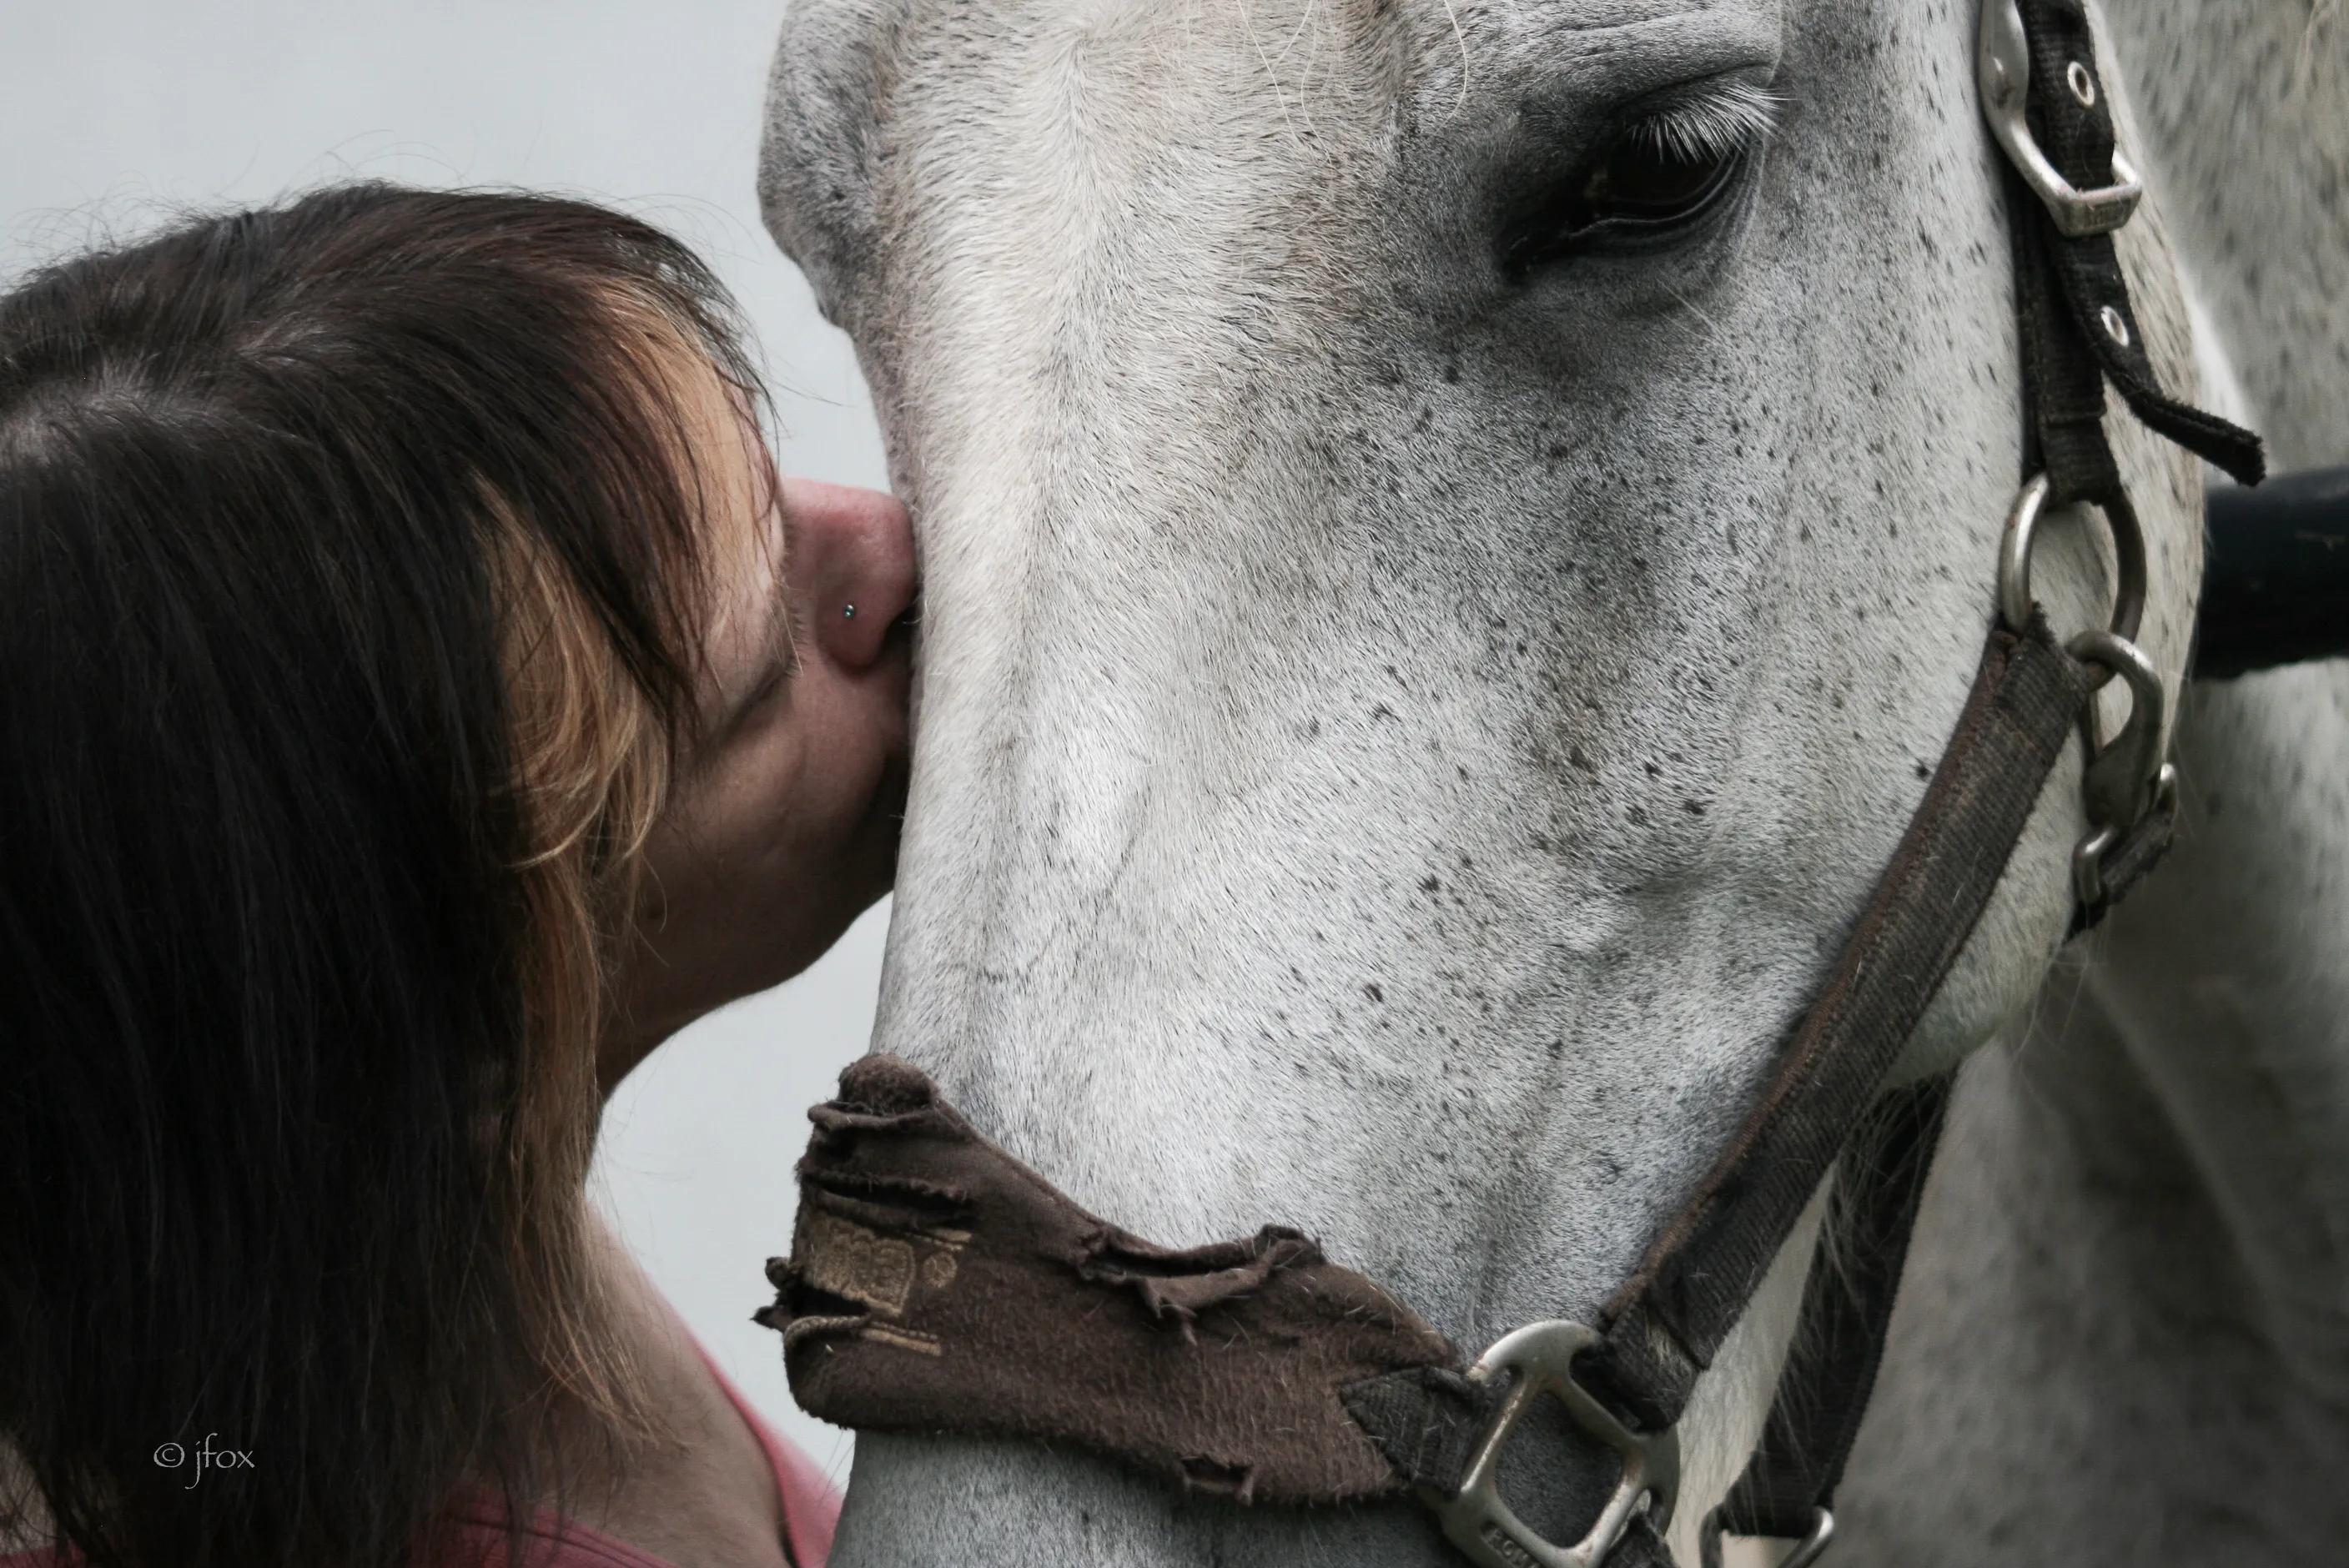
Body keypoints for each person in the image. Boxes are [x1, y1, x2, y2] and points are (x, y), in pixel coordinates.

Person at [0, 183, 915, 1568]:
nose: (891, 541)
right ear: (479, 1037)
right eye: (765, 683)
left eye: (769, 482)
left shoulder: (344, 1263)